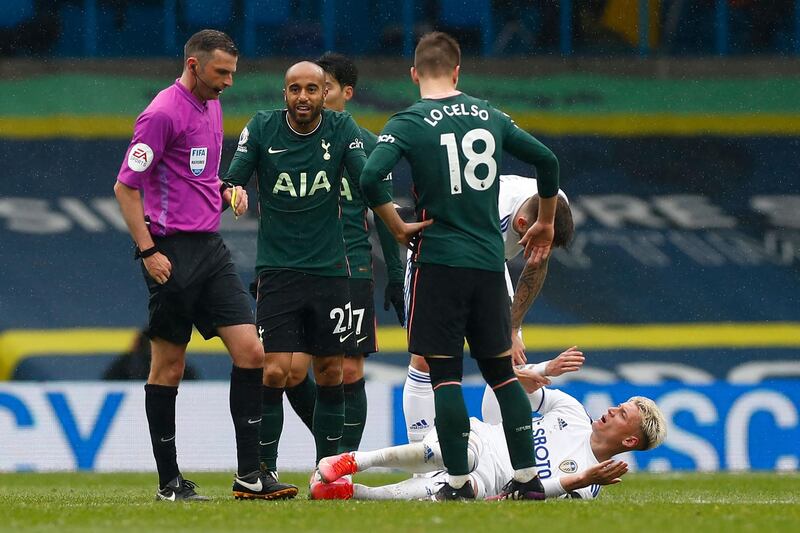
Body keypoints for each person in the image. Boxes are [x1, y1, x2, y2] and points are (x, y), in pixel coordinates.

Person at [357, 31, 561, 500]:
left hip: (439, 261)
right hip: (489, 265)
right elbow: (546, 160)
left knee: (445, 376)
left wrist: (396, 226)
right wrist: (545, 222)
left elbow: (370, 175)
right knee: (503, 376)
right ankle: (529, 481)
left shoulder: (408, 121)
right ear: (457, 71)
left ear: (414, 74)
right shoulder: (490, 115)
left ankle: (457, 482)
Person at [113, 29, 297, 501]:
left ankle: (250, 474)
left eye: (233, 73)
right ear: (194, 65)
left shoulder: (212, 105)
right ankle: (169, 482)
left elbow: (192, 172)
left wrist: (222, 189)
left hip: (210, 249)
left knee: (251, 351)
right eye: (222, 73)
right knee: (169, 366)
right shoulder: (159, 113)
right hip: (169, 251)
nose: (229, 82)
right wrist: (148, 251)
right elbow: (126, 187)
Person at [223, 61, 426, 481]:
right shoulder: (261, 128)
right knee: (279, 369)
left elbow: (373, 187)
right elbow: (232, 178)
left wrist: (396, 246)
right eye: (295, 88)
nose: (304, 96)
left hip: (338, 270)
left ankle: (333, 473)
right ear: (284, 92)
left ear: (330, 92)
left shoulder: (348, 133)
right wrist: (234, 191)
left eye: (314, 88)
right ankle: (261, 471)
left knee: (337, 370)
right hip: (278, 271)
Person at [311, 350, 667, 501]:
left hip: (490, 480)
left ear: (631, 439)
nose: (610, 410)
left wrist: (584, 480)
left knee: (445, 495)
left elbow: (539, 493)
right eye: (618, 406)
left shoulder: (593, 478)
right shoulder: (572, 410)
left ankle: (348, 492)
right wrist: (544, 370)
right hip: (479, 438)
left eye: (621, 414)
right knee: (459, 457)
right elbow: (503, 388)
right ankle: (354, 461)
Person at [281, 52, 407, 459]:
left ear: (345, 93)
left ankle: (337, 466)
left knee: (349, 370)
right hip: (297, 267)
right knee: (291, 370)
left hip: (350, 267)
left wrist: (397, 274)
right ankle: (333, 452)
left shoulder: (371, 147)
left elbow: (385, 212)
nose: (311, 96)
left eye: (324, 88)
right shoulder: (291, 141)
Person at [403, 174, 574, 444]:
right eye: (537, 243)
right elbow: (485, 278)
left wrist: (513, 327)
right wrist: (505, 331)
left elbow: (536, 265)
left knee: (508, 358)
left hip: (487, 257)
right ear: (521, 224)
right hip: (438, 253)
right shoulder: (487, 213)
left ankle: (500, 457)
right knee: (427, 358)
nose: (538, 251)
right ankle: (421, 459)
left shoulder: (552, 205)